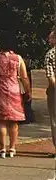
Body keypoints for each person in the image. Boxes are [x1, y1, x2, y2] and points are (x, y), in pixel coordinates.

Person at [0, 31, 31, 158]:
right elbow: (24, 77)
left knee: (1, 120)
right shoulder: (18, 58)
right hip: (14, 90)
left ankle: (2, 148)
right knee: (14, 121)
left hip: (0, 91)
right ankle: (13, 149)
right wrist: (28, 91)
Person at [45, 29, 56, 159]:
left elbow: (50, 76)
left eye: (51, 38)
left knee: (55, 120)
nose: (49, 40)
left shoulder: (50, 54)